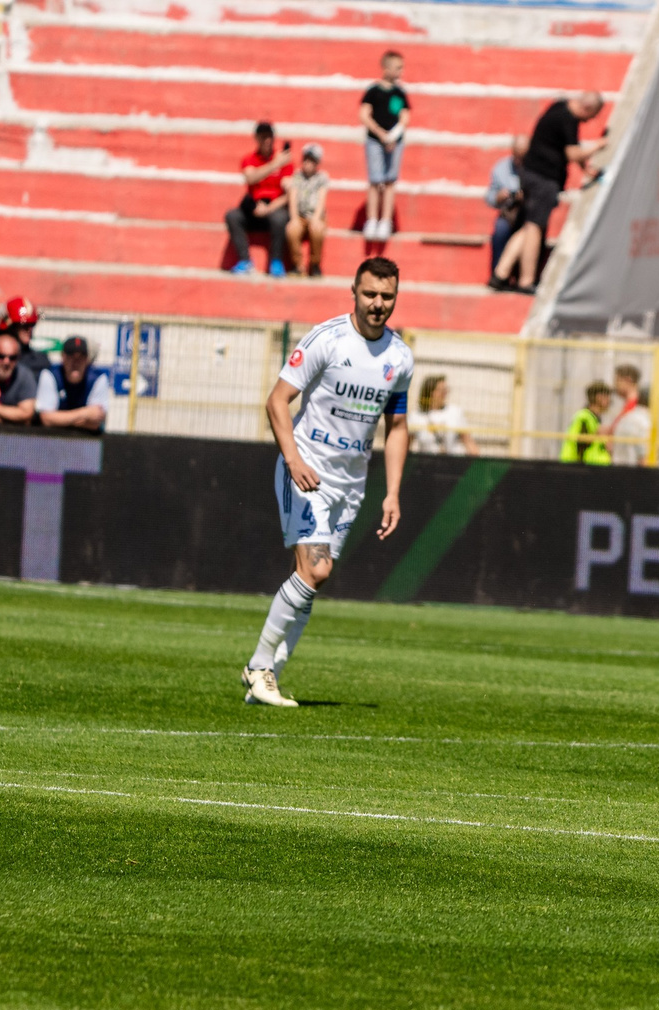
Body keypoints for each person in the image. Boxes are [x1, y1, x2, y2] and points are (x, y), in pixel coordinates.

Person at [243, 257, 412, 708]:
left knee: (313, 582)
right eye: (370, 294)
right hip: (309, 472)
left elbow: (397, 427)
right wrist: (293, 459)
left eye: (387, 296)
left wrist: (392, 491)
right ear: (353, 291)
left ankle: (269, 680)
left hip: (351, 485)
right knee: (315, 569)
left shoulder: (399, 358)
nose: (378, 304)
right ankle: (258, 666)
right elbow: (278, 401)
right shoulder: (328, 339)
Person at [492, 92, 601, 292]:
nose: (589, 120)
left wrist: (586, 169)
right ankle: (526, 280)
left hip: (532, 175)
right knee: (535, 227)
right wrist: (598, 147)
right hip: (543, 180)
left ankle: (501, 273)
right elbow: (572, 153)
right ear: (588, 108)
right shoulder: (568, 119)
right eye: (592, 115)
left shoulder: (559, 107)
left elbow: (567, 150)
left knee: (528, 227)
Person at [226, 122, 292, 276]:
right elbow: (250, 177)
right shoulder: (250, 159)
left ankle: (276, 261)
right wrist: (274, 164)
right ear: (257, 139)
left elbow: (289, 192)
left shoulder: (284, 162)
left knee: (280, 218)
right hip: (254, 208)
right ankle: (245, 260)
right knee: (233, 216)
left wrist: (268, 209)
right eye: (263, 137)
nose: (267, 141)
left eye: (269, 137)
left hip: (274, 207)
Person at [359, 51, 409, 240]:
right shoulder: (373, 91)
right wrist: (381, 135)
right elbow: (364, 115)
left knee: (389, 181)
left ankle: (386, 221)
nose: (401, 72)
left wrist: (393, 136)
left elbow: (405, 117)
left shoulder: (400, 93)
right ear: (386, 68)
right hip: (374, 141)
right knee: (374, 180)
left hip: (394, 143)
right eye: (398, 68)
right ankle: (372, 219)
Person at [484, 133, 534, 291]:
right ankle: (498, 276)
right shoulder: (501, 168)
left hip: (528, 214)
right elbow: (489, 197)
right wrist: (499, 197)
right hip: (509, 213)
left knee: (532, 231)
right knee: (500, 230)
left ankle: (522, 279)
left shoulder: (535, 167)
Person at [36, 335, 114, 431]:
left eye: (80, 358)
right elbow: (46, 419)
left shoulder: (98, 379)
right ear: (63, 357)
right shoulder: (50, 375)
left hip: (87, 441)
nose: (75, 363)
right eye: (71, 357)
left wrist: (59, 419)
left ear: (87, 360)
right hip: (53, 439)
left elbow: (95, 422)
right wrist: (85, 413)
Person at [285, 142, 330, 277]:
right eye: (306, 159)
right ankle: (298, 265)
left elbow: (322, 200)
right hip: (300, 215)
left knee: (317, 229)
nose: (308, 163)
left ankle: (315, 264)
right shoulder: (297, 176)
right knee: (292, 230)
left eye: (311, 160)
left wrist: (316, 218)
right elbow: (293, 198)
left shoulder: (322, 178)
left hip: (315, 215)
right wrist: (293, 218)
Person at [410, 374, 474, 455]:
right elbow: (406, 444)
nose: (445, 393)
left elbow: (468, 441)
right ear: (430, 392)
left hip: (451, 463)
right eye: (441, 390)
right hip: (425, 463)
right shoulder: (416, 416)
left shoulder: (455, 412)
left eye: (446, 390)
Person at [0, 295, 47, 384]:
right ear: (11, 327)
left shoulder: (41, 362)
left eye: (32, 325)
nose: (29, 330)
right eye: (24, 325)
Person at [608, 364, 651, 466]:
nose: (615, 385)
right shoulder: (627, 408)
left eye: (617, 380)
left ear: (628, 380)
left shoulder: (636, 410)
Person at [561, 381, 612, 464]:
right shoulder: (584, 417)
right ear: (599, 397)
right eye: (607, 396)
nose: (610, 401)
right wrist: (597, 434)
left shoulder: (594, 418)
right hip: (578, 467)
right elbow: (580, 443)